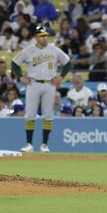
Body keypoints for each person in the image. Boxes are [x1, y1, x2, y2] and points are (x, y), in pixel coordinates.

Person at [12, 24, 71, 153]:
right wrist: (21, 77)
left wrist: (61, 77)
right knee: (30, 114)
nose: (44, 38)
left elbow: (67, 63)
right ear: (36, 37)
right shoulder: (28, 51)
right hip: (33, 84)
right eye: (41, 36)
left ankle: (44, 144)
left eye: (45, 36)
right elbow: (14, 64)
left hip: (50, 84)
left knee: (48, 115)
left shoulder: (54, 49)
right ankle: (29, 144)